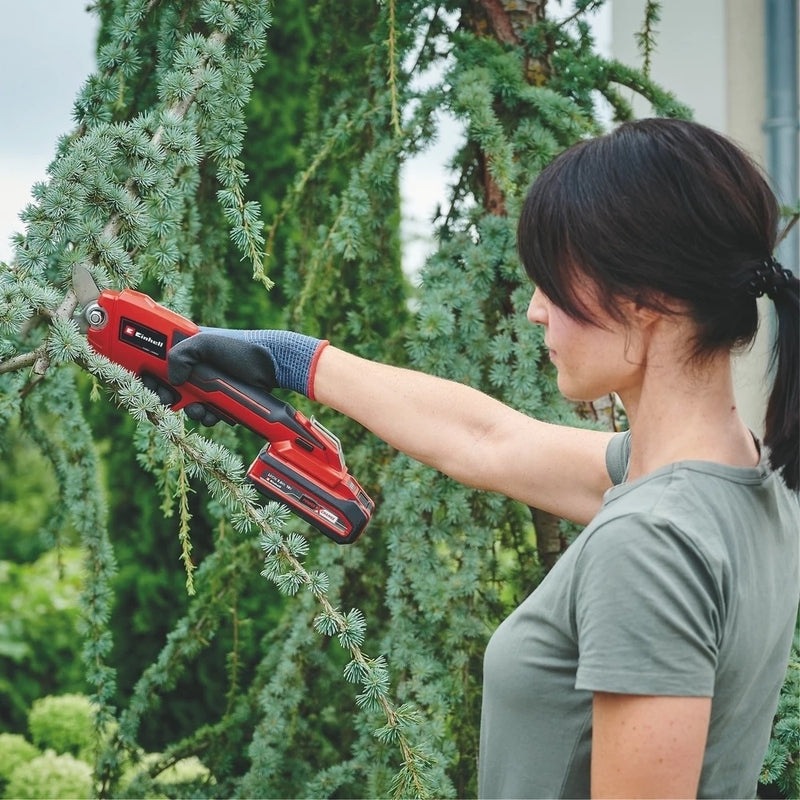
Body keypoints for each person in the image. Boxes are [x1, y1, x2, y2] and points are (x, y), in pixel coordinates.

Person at [168, 118, 800, 799]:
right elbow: (489, 440)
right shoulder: (742, 474)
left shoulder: (652, 542)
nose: (534, 311)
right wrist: (287, 357)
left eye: (554, 284)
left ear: (645, 303)